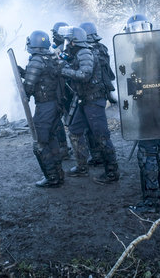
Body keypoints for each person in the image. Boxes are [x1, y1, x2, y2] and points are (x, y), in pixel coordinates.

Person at [123, 14, 160, 213]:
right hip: (148, 106)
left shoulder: (156, 46)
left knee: (147, 152)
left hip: (156, 107)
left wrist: (155, 90)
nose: (135, 34)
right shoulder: (143, 49)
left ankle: (151, 201)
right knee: (156, 149)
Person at [60, 26, 120, 184]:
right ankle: (82, 166)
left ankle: (112, 172)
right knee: (75, 130)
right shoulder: (78, 52)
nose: (67, 43)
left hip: (93, 101)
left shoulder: (85, 52)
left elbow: (84, 75)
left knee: (102, 136)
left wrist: (63, 70)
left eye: (69, 40)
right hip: (85, 100)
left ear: (74, 41)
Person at [21, 30, 66, 188]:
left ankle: (52, 178)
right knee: (51, 138)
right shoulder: (51, 57)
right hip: (55, 105)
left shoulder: (36, 60)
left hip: (45, 106)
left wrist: (24, 85)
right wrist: (23, 73)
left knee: (40, 142)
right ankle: (59, 174)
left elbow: (29, 86)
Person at [79, 21, 116, 167]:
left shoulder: (94, 51)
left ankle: (111, 169)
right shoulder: (99, 48)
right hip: (94, 94)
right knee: (90, 129)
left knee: (99, 132)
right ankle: (97, 157)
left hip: (95, 95)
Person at [50, 21, 73, 160]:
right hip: (61, 90)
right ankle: (64, 148)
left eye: (54, 34)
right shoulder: (58, 48)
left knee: (73, 122)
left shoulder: (68, 48)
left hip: (69, 91)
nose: (53, 36)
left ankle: (67, 148)